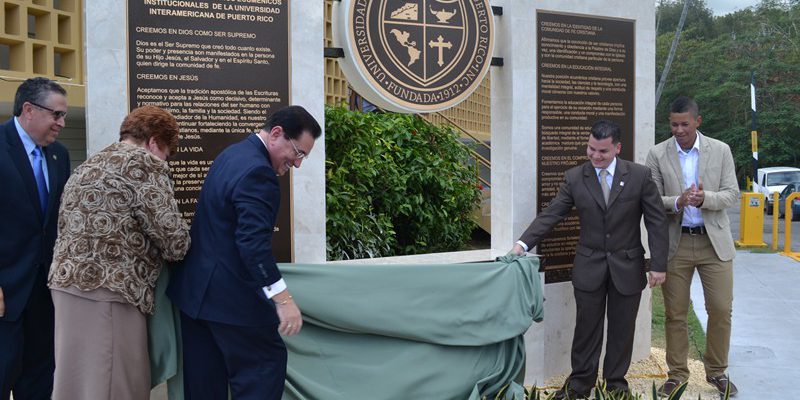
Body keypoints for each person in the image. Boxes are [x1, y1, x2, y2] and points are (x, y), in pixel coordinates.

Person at [168, 105, 322, 399]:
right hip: (233, 303)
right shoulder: (259, 173)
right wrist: (284, 300)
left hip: (195, 299)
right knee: (263, 373)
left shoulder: (232, 154)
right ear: (276, 133)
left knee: (203, 388)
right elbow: (252, 245)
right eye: (298, 153)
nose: (298, 164)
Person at [511, 120, 668, 399]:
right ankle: (580, 385)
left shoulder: (640, 176)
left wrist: (658, 264)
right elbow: (553, 213)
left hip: (627, 267)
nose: (595, 155)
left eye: (602, 151)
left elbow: (656, 221)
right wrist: (522, 244)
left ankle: (615, 385)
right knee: (586, 330)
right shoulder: (575, 177)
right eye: (591, 149)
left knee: (622, 331)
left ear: (617, 148)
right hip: (589, 268)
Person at [47, 106, 191, 399]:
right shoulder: (143, 165)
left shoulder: (91, 164)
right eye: (166, 153)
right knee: (116, 382)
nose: (165, 161)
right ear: (153, 142)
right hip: (111, 291)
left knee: (75, 383)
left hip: (66, 285)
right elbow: (174, 242)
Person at [646, 97, 739, 397]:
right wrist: (679, 200)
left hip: (714, 244)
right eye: (674, 124)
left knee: (721, 309)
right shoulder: (657, 154)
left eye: (685, 124)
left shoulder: (720, 150)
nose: (679, 130)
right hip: (677, 243)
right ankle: (677, 375)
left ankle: (717, 372)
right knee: (675, 314)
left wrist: (704, 199)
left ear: (698, 121)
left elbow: (732, 194)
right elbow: (651, 199)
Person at [0, 77, 71, 400]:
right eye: (56, 114)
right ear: (28, 109)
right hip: (6, 294)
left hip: (45, 293)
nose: (61, 123)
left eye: (64, 115)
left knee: (40, 381)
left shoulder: (59, 155)